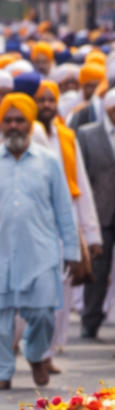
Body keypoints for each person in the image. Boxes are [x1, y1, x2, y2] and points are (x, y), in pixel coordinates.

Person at [0, 93, 78, 390]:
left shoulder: (49, 162)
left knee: (44, 313)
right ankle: (3, 372)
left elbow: (64, 209)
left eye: (21, 120)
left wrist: (71, 249)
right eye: (9, 120)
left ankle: (34, 353)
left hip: (41, 253)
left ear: (31, 124)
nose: (15, 125)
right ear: (1, 124)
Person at [34, 78, 101, 352]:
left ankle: (50, 349)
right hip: (33, 222)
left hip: (65, 220)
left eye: (51, 100)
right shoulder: (19, 135)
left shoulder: (67, 136)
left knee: (63, 285)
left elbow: (80, 185)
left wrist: (91, 233)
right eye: (41, 100)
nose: (47, 105)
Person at [75, 84, 115, 339]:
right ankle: (90, 320)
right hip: (102, 214)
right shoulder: (88, 135)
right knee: (98, 269)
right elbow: (82, 177)